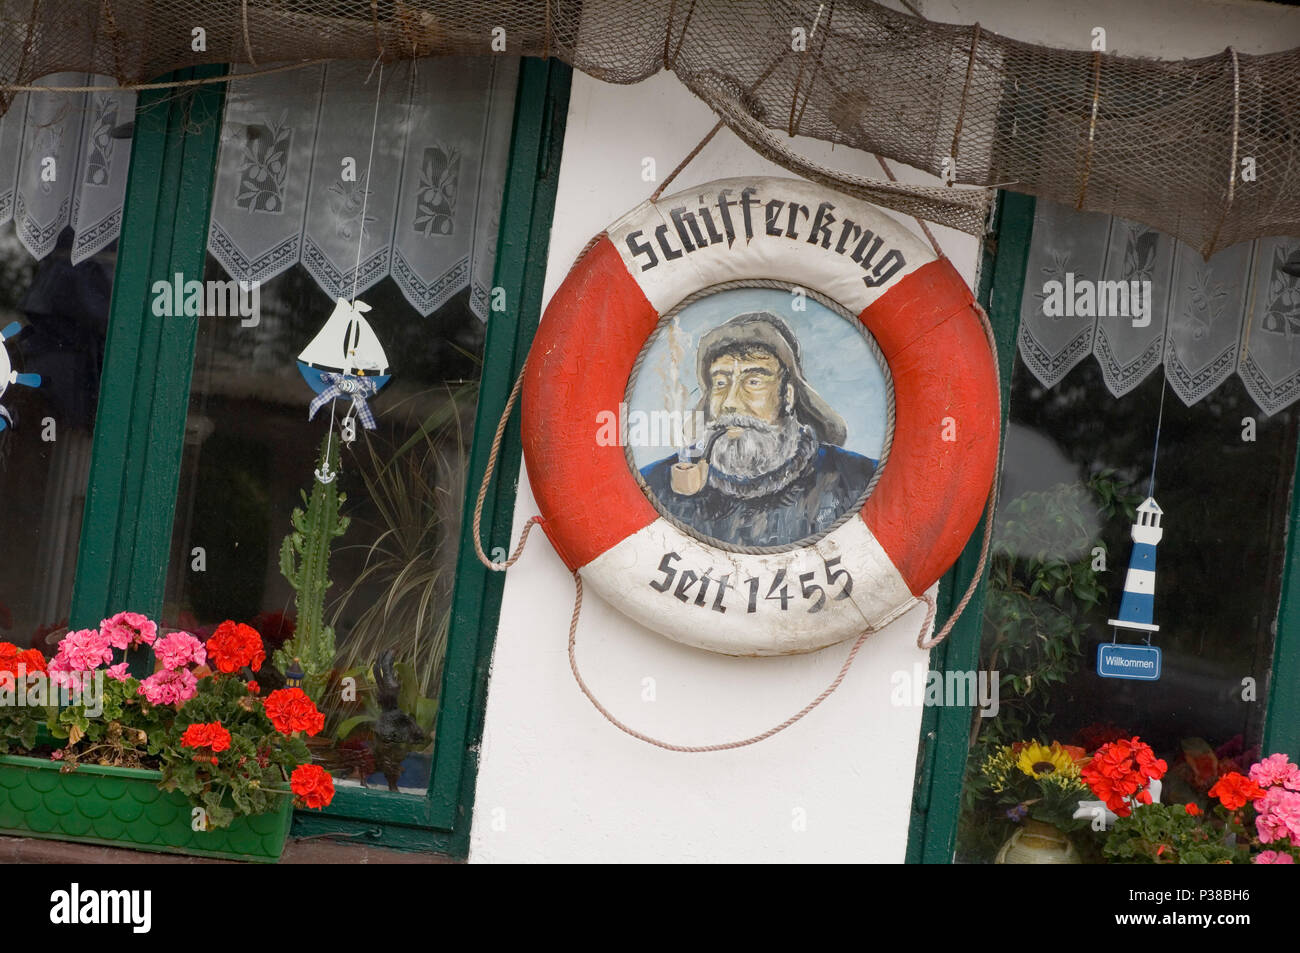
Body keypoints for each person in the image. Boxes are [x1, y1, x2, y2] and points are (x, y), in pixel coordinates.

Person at [640, 311, 877, 547]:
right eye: (720, 383)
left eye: (753, 382)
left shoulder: (858, 481)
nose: (730, 402)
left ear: (788, 395)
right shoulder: (654, 486)